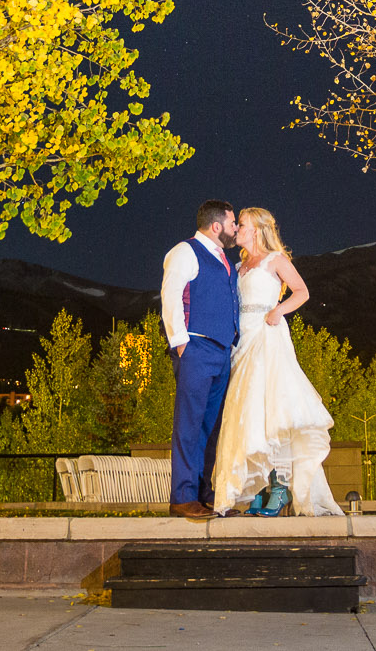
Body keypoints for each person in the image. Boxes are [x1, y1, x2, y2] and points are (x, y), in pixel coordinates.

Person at [209, 207, 343, 516]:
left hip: (267, 337)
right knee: (245, 414)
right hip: (242, 341)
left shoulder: (275, 260)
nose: (236, 229)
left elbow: (302, 292)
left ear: (255, 229)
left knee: (272, 412)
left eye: (240, 225)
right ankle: (251, 488)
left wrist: (279, 310)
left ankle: (279, 489)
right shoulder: (239, 265)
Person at [160, 199, 239, 518]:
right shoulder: (185, 251)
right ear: (217, 225)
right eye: (233, 223)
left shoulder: (224, 259)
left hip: (221, 352)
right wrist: (181, 344)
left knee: (212, 427)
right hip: (196, 349)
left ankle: (206, 494)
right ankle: (182, 497)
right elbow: (170, 296)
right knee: (189, 426)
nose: (236, 229)